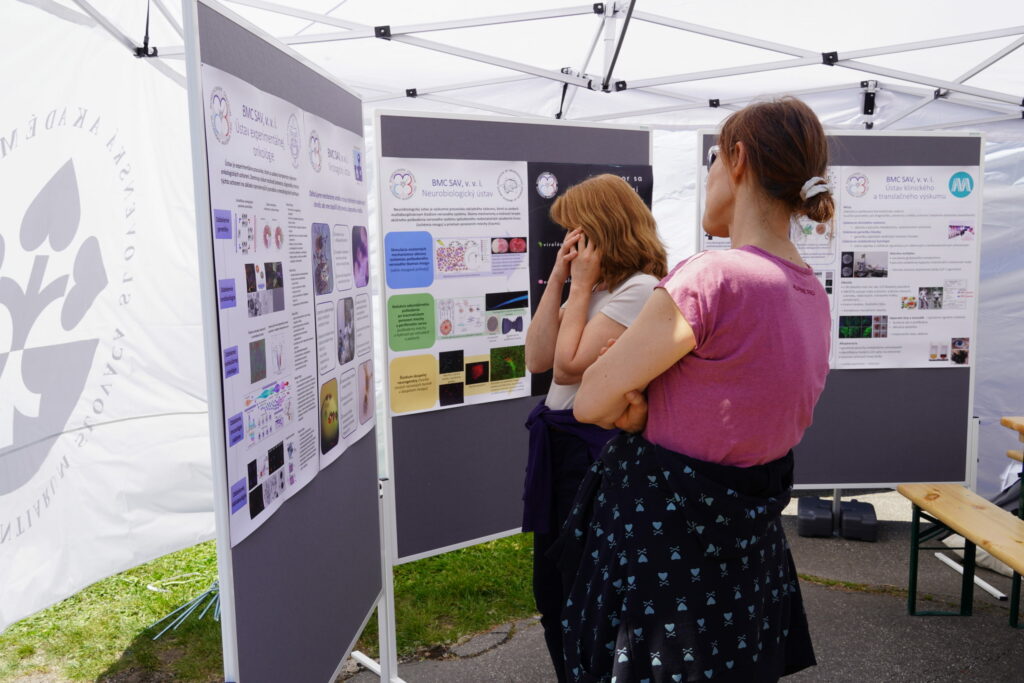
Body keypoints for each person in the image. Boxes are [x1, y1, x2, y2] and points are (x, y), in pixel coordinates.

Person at [557, 97, 833, 682]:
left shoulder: (713, 275)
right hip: (746, 565)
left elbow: (588, 400)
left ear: (736, 159)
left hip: (669, 563)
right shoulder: (811, 293)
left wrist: (636, 406)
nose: (709, 175)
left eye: (712, 160)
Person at [523, 173, 668, 683]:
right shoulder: (595, 290)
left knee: (578, 589)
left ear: (603, 229)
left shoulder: (639, 290)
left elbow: (567, 369)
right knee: (550, 590)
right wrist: (561, 281)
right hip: (560, 449)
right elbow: (539, 357)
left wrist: (581, 287)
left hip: (593, 457)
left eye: (577, 232)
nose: (570, 243)